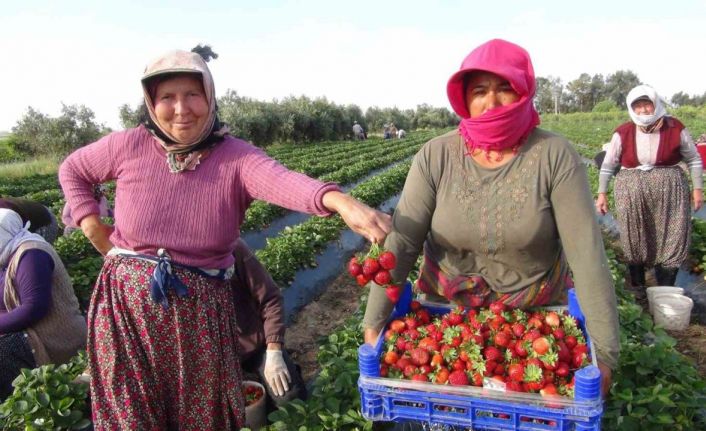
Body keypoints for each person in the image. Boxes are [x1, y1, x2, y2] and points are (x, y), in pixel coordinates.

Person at [58, 49, 391, 430]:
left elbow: (281, 180)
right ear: (151, 101)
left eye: (192, 95)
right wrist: (90, 223)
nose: (181, 108)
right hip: (128, 314)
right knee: (131, 417)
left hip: (198, 319)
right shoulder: (127, 145)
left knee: (199, 418)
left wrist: (341, 201)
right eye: (167, 97)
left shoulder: (235, 157)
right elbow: (73, 169)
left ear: (210, 97)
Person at [362, 39, 619, 397]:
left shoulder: (554, 155)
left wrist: (605, 354)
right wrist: (373, 324)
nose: (492, 102)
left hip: (533, 324)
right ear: (464, 98)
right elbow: (403, 242)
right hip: (444, 319)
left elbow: (587, 255)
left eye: (505, 89)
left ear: (525, 93)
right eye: (480, 90)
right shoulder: (436, 155)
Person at [595, 85, 703, 288]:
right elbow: (608, 165)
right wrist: (602, 193)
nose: (643, 110)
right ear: (631, 108)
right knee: (634, 235)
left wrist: (697, 188)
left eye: (647, 104)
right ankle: (638, 287)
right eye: (638, 106)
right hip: (632, 190)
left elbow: (694, 159)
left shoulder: (675, 128)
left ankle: (665, 289)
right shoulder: (623, 132)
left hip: (670, 191)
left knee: (673, 234)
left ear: (656, 105)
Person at [0, 208, 87, 400]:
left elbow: (33, 308)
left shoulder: (31, 254)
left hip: (53, 338)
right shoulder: (8, 253)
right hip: (26, 332)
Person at [231, 238, 306, 410]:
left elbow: (270, 299)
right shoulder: (166, 266)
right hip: (216, 362)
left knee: (289, 399)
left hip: (255, 345)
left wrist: (274, 351)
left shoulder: (233, 247)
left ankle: (288, 370)